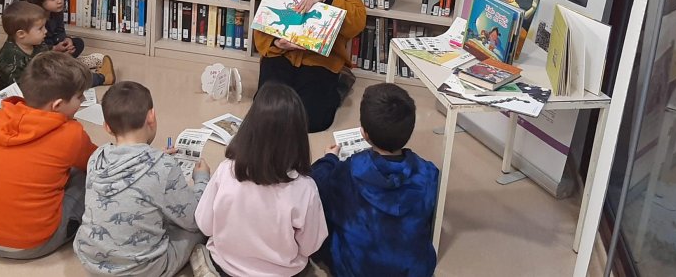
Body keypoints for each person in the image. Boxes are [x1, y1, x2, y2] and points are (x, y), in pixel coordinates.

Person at [0, 52, 97, 259]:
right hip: (32, 243)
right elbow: (97, 163)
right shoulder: (71, 134)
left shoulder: (0, 118)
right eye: (79, 97)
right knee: (84, 177)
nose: (81, 101)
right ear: (58, 105)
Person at [74, 81, 210, 276]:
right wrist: (202, 179)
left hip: (90, 261)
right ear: (151, 117)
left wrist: (154, 157)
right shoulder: (164, 166)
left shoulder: (97, 156)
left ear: (107, 128)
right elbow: (194, 219)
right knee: (199, 226)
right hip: (142, 270)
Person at [193, 82, 328, 276]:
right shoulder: (305, 188)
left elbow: (204, 225)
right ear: (298, 138)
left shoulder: (226, 170)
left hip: (225, 268)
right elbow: (310, 246)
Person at [310, 83, 439, 277]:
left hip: (355, 268)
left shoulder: (348, 171)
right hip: (413, 270)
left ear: (364, 134)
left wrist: (329, 159)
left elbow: (315, 181)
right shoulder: (428, 173)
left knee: (323, 208)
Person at [253, 0, 366, 132]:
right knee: (265, 114)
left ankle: (339, 84)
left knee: (312, 121)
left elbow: (358, 22)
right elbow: (264, 23)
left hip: (319, 60)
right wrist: (278, 43)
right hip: (282, 55)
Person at [19, 0, 115, 86]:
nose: (60, 0)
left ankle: (67, 62)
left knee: (77, 43)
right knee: (64, 78)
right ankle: (101, 77)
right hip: (43, 57)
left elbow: (59, 31)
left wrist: (66, 41)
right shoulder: (30, 21)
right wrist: (53, 49)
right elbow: (36, 50)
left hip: (51, 49)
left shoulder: (56, 12)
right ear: (38, 0)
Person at [0, 1, 48, 87]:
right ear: (21, 34)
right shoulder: (10, 56)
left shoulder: (37, 43)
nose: (45, 31)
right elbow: (18, 86)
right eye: (40, 28)